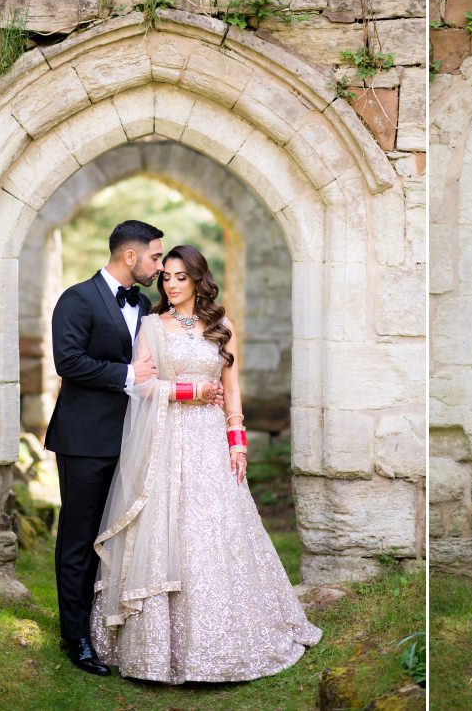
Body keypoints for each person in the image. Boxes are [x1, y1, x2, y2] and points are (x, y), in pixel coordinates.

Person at [90, 243, 321, 683]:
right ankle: (158, 648)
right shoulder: (153, 327)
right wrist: (186, 392)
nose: (172, 285)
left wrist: (238, 442)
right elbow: (141, 386)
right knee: (168, 528)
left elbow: (231, 389)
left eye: (181, 277)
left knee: (213, 526)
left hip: (211, 440)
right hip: (167, 439)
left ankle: (224, 639)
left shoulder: (221, 326)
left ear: (198, 279)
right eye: (166, 277)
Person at [45, 219, 168, 676]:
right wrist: (129, 376)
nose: (160, 265)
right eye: (155, 257)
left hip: (135, 440)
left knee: (119, 537)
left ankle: (106, 628)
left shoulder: (145, 305)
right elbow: (69, 360)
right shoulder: (76, 299)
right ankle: (75, 638)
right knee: (79, 538)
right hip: (85, 440)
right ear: (130, 256)